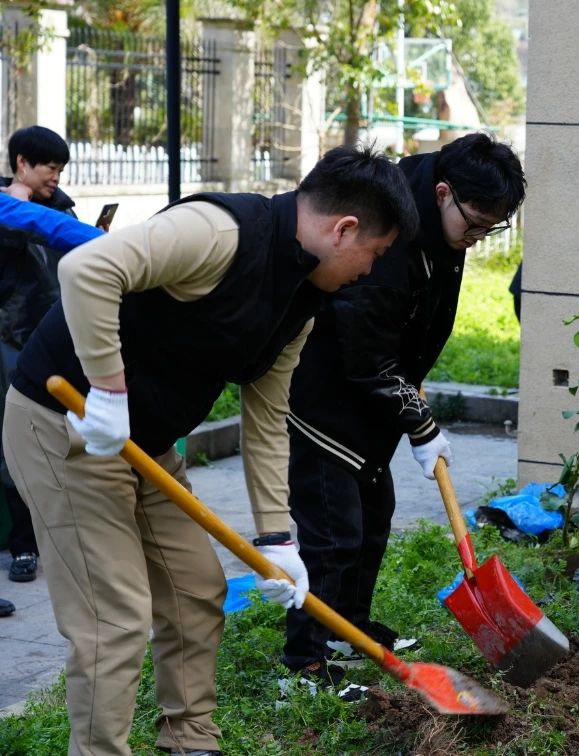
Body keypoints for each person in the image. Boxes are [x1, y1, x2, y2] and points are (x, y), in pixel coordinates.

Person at [2, 145, 417, 755]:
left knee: (196, 591)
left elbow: (269, 415)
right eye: (375, 255)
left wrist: (279, 540)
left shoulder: (303, 297)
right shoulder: (218, 232)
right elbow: (87, 270)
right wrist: (110, 390)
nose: (370, 270)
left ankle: (190, 739)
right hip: (67, 423)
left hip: (147, 444)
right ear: (344, 228)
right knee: (113, 618)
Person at [282, 133, 525, 685]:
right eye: (475, 223)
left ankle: (348, 630)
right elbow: (360, 341)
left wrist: (408, 405)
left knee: (373, 518)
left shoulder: (445, 227)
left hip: (374, 394)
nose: (479, 237)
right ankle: (303, 662)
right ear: (444, 193)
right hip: (324, 395)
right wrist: (418, 419)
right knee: (332, 534)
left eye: (492, 228)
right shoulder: (391, 231)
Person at [0, 126, 78, 585]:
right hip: (12, 338)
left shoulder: (60, 205)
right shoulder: (9, 210)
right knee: (15, 445)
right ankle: (23, 546)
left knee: (60, 441)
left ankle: (60, 538)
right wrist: (20, 205)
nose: (57, 175)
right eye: (50, 166)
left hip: (58, 334)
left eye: (61, 168)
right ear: (23, 162)